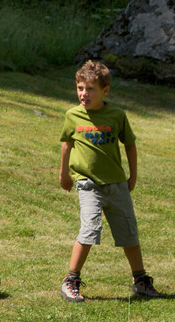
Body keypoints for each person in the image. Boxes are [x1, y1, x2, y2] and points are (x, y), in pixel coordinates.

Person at [58, 60, 163, 302]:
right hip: (88, 184)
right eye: (80, 88)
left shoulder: (117, 115)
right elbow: (67, 145)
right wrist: (64, 174)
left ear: (105, 91)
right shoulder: (73, 115)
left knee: (129, 233)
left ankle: (141, 280)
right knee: (89, 230)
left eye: (90, 89)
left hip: (116, 184)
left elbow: (130, 145)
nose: (84, 94)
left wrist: (132, 176)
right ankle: (70, 280)